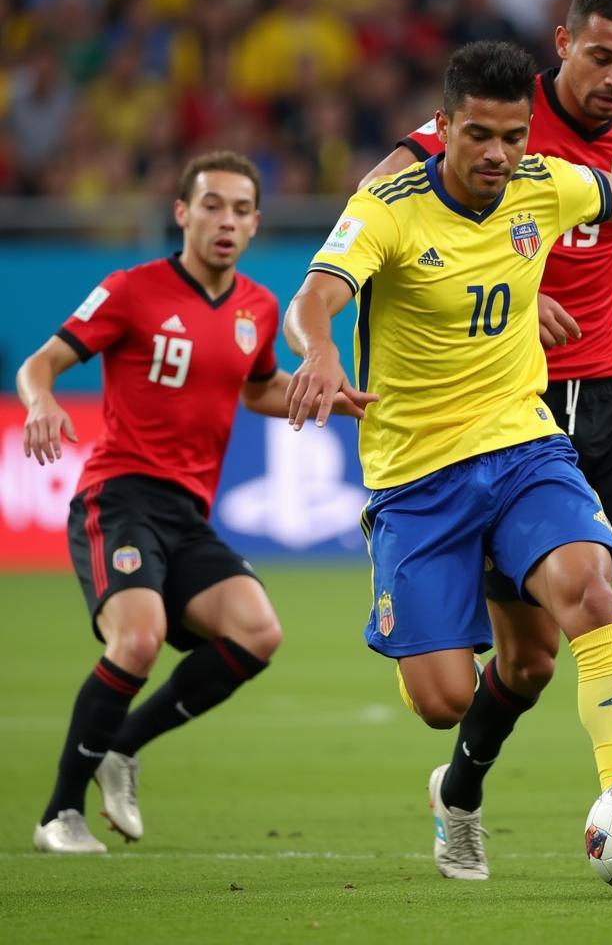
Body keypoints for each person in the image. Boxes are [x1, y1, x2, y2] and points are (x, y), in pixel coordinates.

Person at [284, 39, 612, 879]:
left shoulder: (543, 185)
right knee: (448, 697)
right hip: (416, 474)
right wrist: (318, 351)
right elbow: (314, 295)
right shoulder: (387, 206)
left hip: (524, 445)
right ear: (445, 128)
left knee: (596, 594)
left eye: (514, 136)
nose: (498, 155)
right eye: (480, 136)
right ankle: (453, 788)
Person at [19, 150, 372, 854]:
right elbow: (42, 363)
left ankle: (121, 747)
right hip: (119, 497)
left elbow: (257, 389)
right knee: (139, 639)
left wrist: (328, 398)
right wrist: (39, 402)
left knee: (258, 631)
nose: (226, 221)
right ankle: (60, 813)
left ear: (255, 225)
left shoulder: (258, 307)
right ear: (182, 213)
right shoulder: (131, 289)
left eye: (241, 210)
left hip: (187, 513)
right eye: (212, 205)